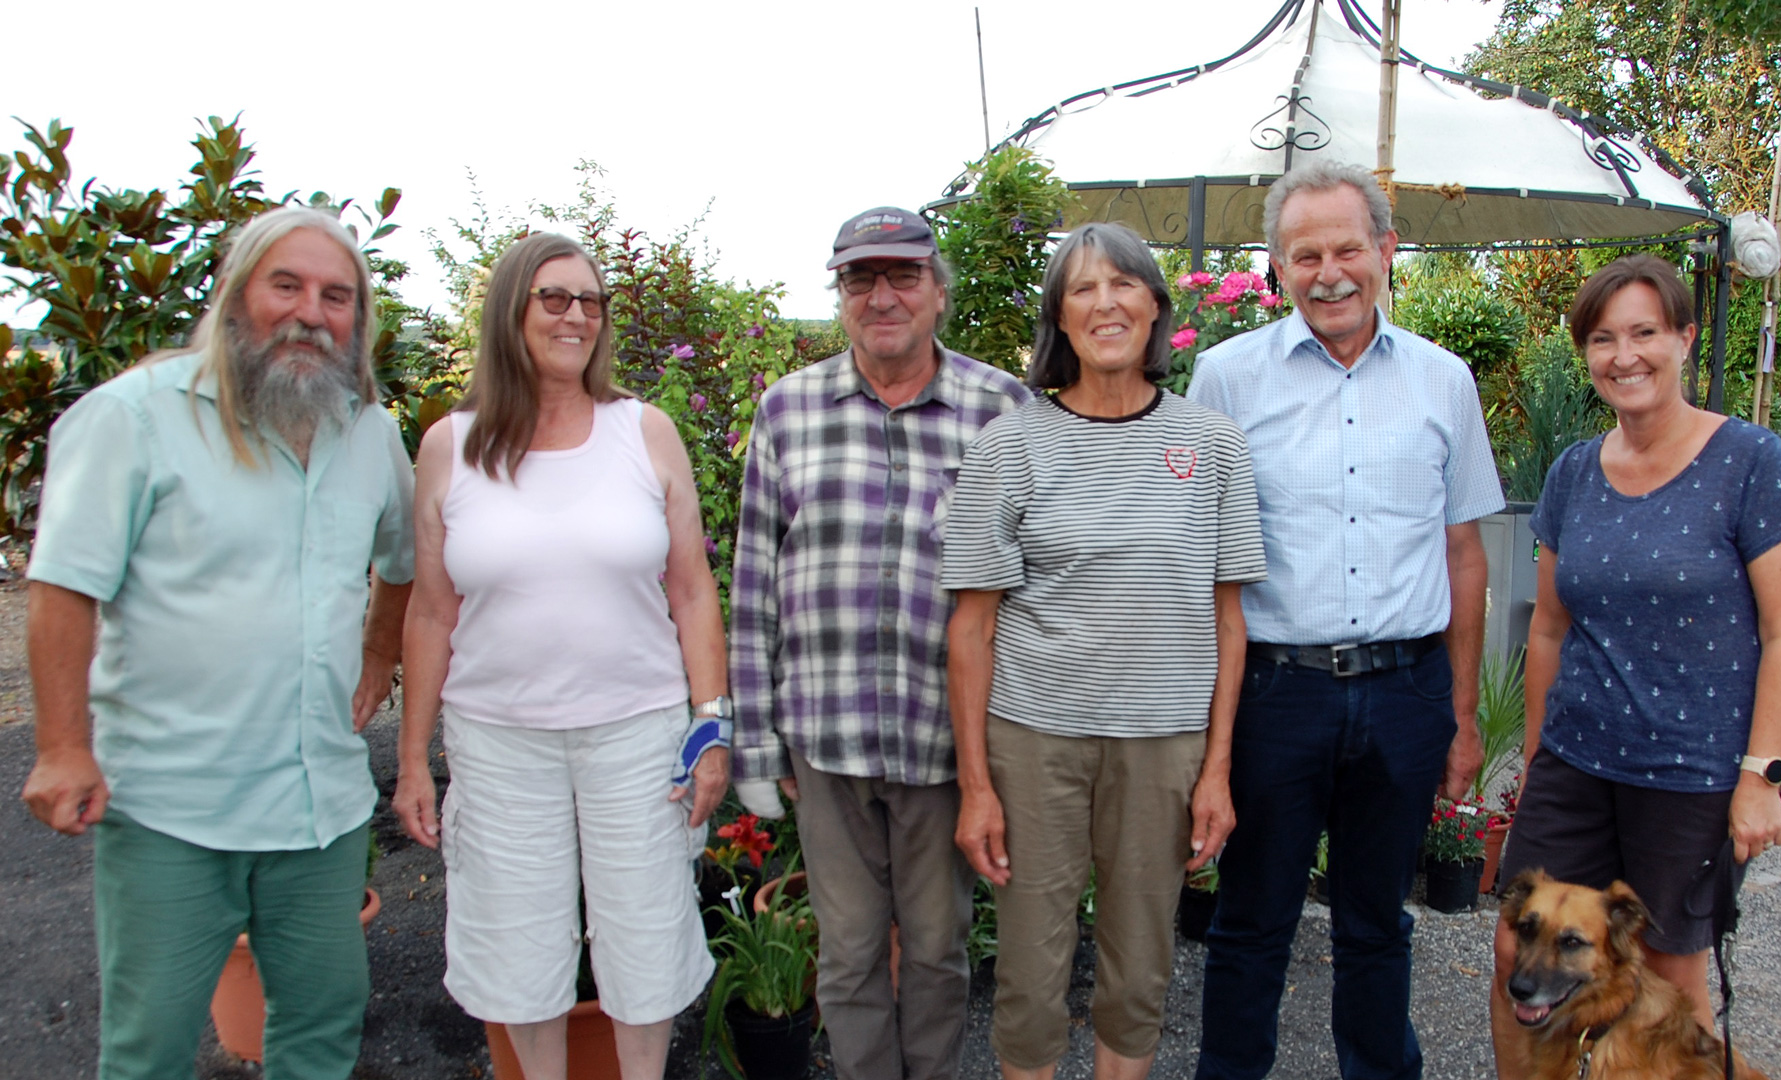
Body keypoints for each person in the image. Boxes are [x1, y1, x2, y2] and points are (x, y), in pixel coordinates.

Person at [18, 206, 415, 1079]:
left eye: (336, 295)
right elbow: (61, 589)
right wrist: (60, 748)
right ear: (237, 297)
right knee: (149, 1047)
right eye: (288, 285)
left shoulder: (370, 434)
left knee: (321, 1030)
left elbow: (403, 562)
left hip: (321, 810)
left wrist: (381, 655)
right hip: (171, 808)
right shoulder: (133, 419)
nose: (312, 311)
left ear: (358, 321)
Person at [1186, 160, 1506, 1080]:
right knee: (1252, 921)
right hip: (1276, 697)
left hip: (1405, 694)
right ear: (1279, 267)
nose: (1329, 272)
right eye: (1305, 254)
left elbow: (1464, 555)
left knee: (1378, 923)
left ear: (1386, 252)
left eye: (1347, 248)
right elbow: (1199, 562)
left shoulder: (1445, 383)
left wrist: (1461, 712)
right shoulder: (1227, 380)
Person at [390, 233, 728, 1080]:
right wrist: (411, 761)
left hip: (638, 735)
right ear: (512, 310)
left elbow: (691, 590)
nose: (577, 315)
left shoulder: (643, 431)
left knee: (646, 938)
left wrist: (711, 725)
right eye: (554, 297)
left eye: (590, 300)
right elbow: (431, 612)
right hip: (499, 740)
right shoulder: (449, 446)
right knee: (516, 946)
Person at [942, 222, 1267, 1080]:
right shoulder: (1011, 445)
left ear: (1156, 306)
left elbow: (1229, 620)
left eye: (1123, 284)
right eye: (1082, 288)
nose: (1105, 303)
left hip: (1163, 744)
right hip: (1036, 737)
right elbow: (971, 628)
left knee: (1139, 966)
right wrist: (976, 786)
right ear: (1059, 315)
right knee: (1030, 974)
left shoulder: (1212, 444)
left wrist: (1216, 770)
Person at [1489, 255, 1781, 1078]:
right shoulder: (1572, 474)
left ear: (1684, 339)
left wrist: (1760, 776)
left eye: (1644, 333)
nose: (1623, 356)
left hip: (1692, 775)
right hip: (1577, 759)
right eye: (1602, 339)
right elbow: (1552, 630)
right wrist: (1536, 758)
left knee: (1666, 979)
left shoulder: (1751, 463)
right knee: (1516, 955)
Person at [729, 207, 1030, 1080]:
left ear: (939, 291)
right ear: (841, 297)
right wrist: (755, 740)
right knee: (850, 954)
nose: (883, 295)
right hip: (826, 742)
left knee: (937, 952)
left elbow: (1035, 582)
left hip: (947, 744)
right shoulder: (787, 410)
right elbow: (754, 585)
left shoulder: (998, 409)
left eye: (903, 275)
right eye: (861, 279)